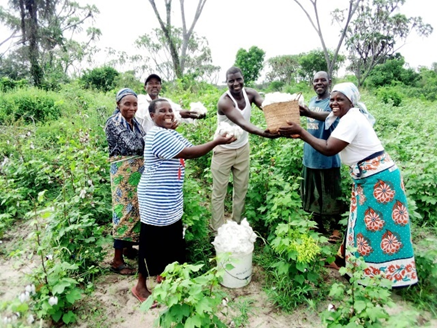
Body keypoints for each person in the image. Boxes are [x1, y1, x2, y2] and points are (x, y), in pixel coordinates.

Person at [278, 82, 418, 288]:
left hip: (379, 181)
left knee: (374, 227)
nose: (334, 103)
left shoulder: (351, 119)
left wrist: (301, 132)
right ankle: (344, 262)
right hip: (369, 178)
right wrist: (307, 112)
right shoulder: (349, 116)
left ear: (351, 102)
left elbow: (328, 148)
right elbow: (328, 117)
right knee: (357, 223)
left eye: (339, 99)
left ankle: (377, 274)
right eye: (332, 99)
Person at [132, 98, 235, 303]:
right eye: (162, 111)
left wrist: (215, 138)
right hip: (155, 199)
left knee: (171, 241)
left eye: (171, 110)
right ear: (152, 116)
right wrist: (217, 141)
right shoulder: (156, 134)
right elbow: (188, 153)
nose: (169, 113)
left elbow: (193, 147)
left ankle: (164, 276)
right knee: (151, 242)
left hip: (170, 199)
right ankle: (140, 286)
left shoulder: (170, 133)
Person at [210, 66, 279, 231]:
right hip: (223, 150)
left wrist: (282, 118)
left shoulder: (251, 94)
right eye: (231, 81)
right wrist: (266, 134)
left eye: (238, 79)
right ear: (226, 82)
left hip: (242, 148)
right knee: (219, 193)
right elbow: (243, 123)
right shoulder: (224, 101)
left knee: (241, 190)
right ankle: (217, 231)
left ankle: (236, 226)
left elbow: (267, 108)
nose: (235, 84)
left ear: (243, 78)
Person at [104, 88, 145, 275]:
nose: (131, 107)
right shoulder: (113, 122)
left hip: (136, 172)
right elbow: (134, 145)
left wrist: (144, 142)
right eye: (127, 104)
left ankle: (128, 248)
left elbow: (142, 141)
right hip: (122, 173)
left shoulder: (134, 122)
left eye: (134, 104)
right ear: (118, 104)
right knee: (122, 212)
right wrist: (145, 142)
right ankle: (116, 260)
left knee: (136, 209)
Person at [299, 71, 344, 241]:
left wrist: (308, 113)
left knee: (332, 193)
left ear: (329, 82)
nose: (319, 83)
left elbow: (331, 116)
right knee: (313, 194)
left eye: (322, 80)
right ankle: (317, 225)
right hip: (310, 156)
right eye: (316, 80)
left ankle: (335, 228)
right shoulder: (311, 101)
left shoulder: (332, 102)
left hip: (328, 158)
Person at [135, 73, 204, 133]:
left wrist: (193, 114)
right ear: (145, 87)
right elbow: (147, 114)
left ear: (160, 87)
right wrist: (179, 114)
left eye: (157, 83)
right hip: (147, 139)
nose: (154, 86)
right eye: (151, 83)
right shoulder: (140, 99)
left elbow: (179, 111)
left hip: (164, 137)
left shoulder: (165, 101)